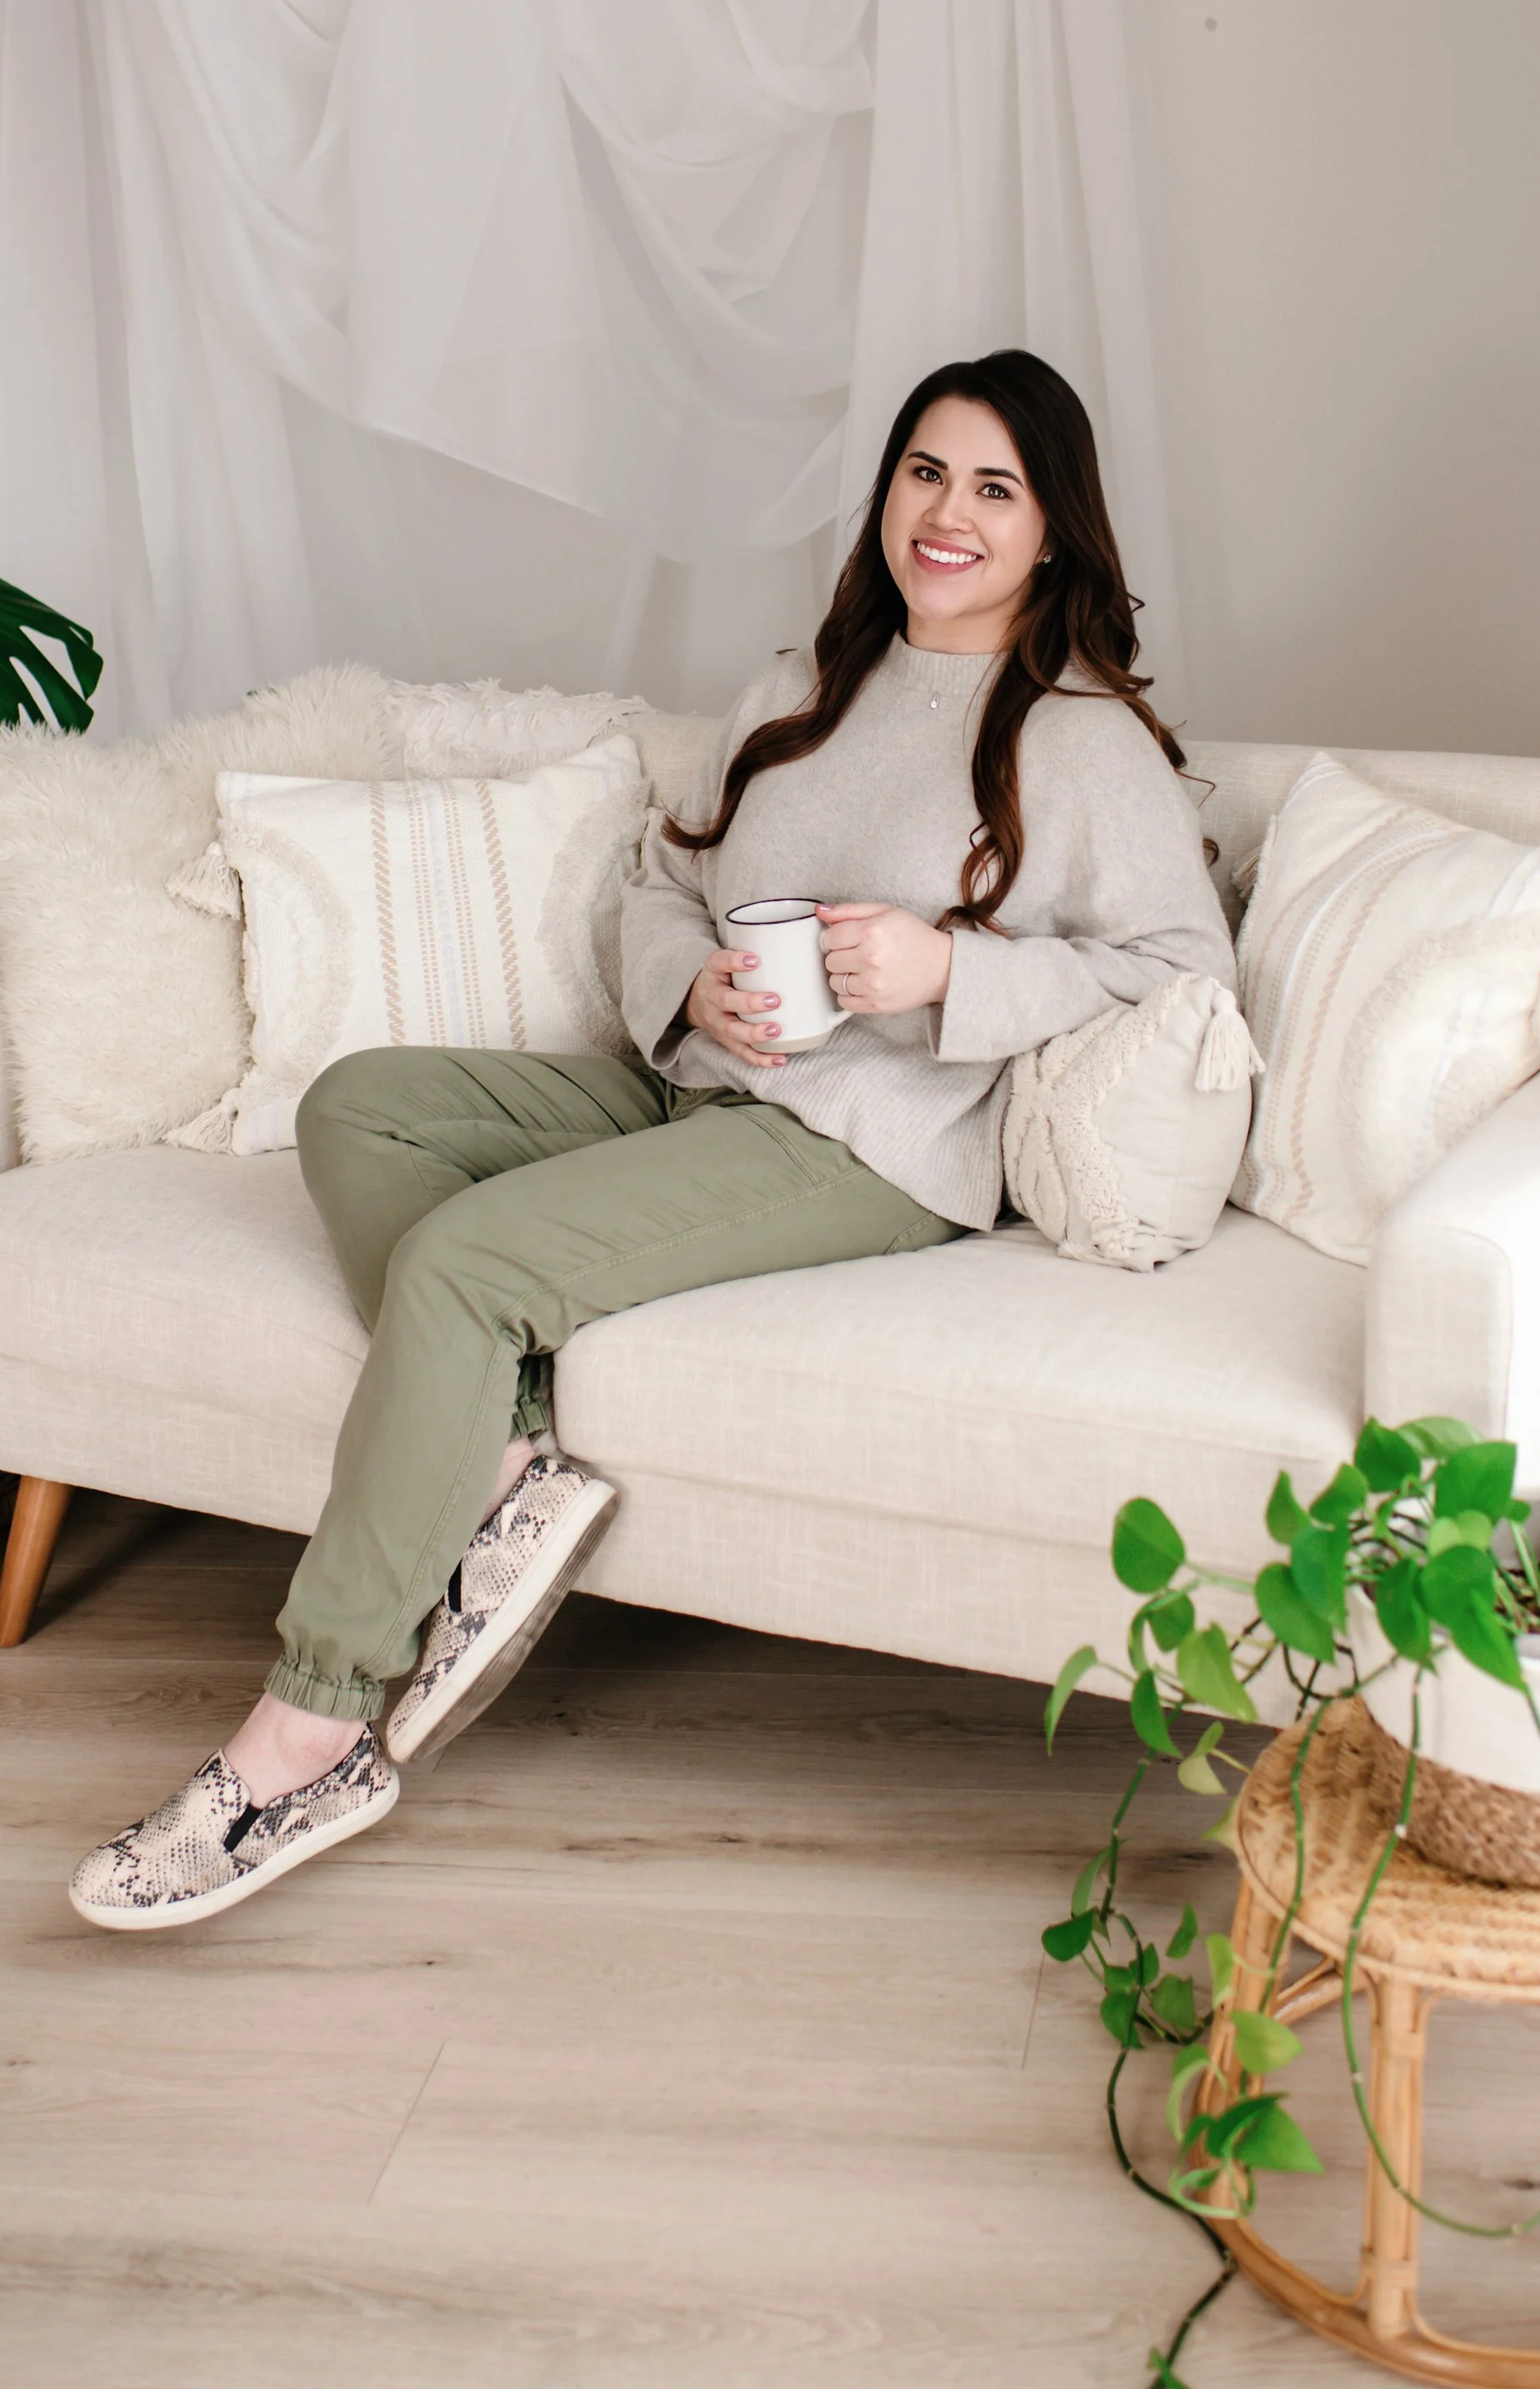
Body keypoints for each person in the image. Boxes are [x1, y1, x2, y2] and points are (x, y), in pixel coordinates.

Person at [67, 350, 1235, 1930]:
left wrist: (951, 971)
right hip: (705, 1079)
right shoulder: (800, 687)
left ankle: (314, 1725)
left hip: (869, 1145)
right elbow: (661, 881)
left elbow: (1185, 975)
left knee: (465, 1267)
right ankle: (503, 1464)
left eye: (994, 487)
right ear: (887, 489)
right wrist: (688, 983)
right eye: (923, 471)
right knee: (360, 1103)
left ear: (1053, 529)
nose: (946, 514)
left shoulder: (1082, 744)